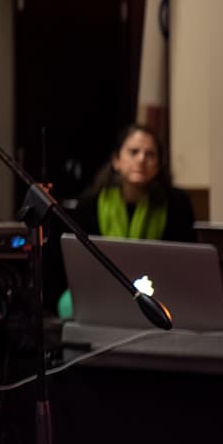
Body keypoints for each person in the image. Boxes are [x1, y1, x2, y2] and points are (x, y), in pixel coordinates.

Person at [52, 121, 196, 319]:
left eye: (150, 154)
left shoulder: (177, 204)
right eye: (134, 152)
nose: (141, 159)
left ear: (158, 164)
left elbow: (186, 265)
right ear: (116, 160)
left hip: (161, 290)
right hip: (103, 288)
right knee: (67, 305)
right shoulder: (90, 204)